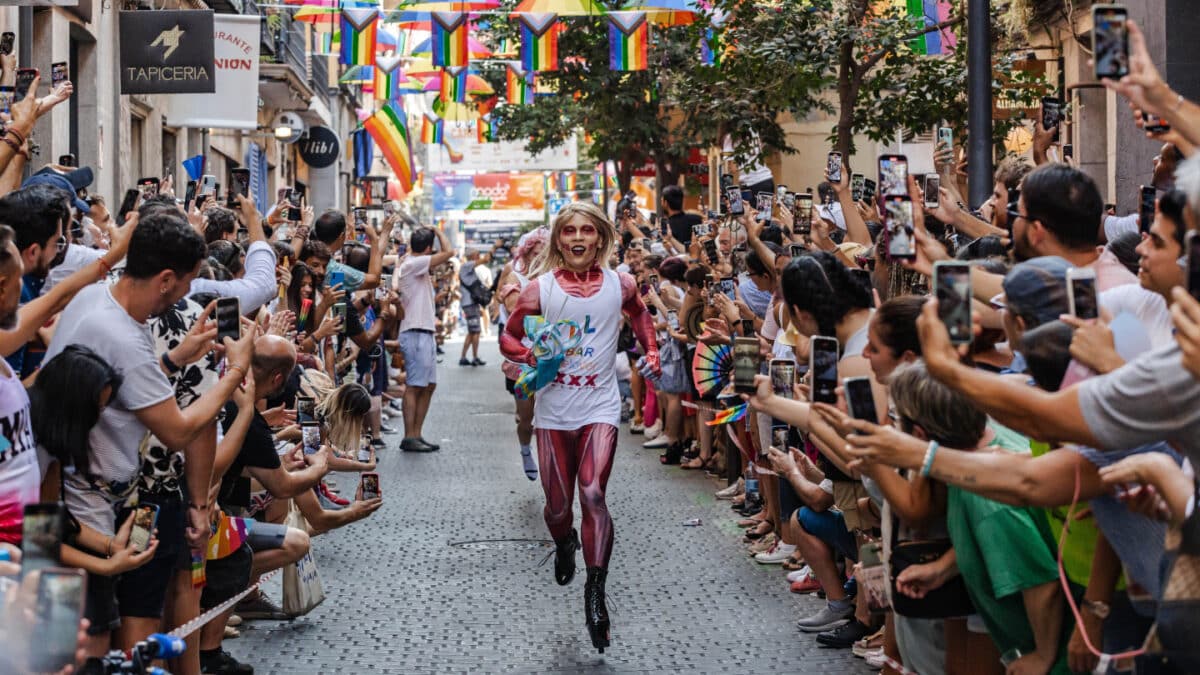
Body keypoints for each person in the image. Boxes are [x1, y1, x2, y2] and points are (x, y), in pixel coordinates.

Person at [501, 202, 660, 653]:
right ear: (557, 240)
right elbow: (509, 337)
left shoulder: (620, 283)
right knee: (556, 509)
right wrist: (530, 356)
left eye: (586, 230)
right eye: (568, 230)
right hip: (553, 411)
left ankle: (596, 593)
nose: (577, 237)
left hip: (600, 406)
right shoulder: (540, 289)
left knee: (592, 493)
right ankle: (564, 540)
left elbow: (641, 315)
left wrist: (650, 351)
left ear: (600, 238)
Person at [395, 225, 455, 452]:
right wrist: (440, 232)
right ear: (429, 248)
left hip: (423, 330)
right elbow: (450, 252)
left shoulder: (412, 263)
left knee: (428, 385)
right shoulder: (413, 263)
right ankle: (409, 435)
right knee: (414, 385)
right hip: (415, 331)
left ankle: (416, 434)